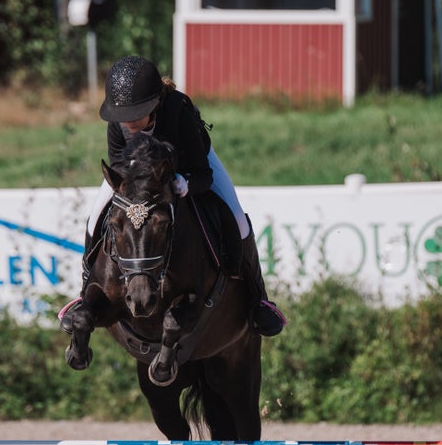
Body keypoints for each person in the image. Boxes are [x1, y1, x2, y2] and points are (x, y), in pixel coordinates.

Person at [59, 55, 285, 337]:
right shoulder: (119, 117)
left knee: (237, 219)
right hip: (135, 173)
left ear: (155, 105)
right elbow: (117, 163)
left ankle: (258, 300)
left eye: (135, 115)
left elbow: (203, 173)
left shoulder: (179, 110)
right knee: (95, 216)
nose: (127, 123)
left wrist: (186, 183)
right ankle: (84, 292)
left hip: (192, 165)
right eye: (123, 117)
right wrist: (132, 184)